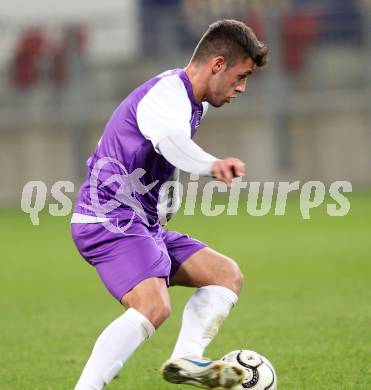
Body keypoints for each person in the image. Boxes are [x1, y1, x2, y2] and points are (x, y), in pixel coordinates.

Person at [71, 19, 267, 390]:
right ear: (218, 64)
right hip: (108, 218)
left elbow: (165, 153)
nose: (242, 88)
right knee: (153, 306)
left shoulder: (192, 101)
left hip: (140, 222)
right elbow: (172, 144)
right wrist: (211, 164)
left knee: (226, 274)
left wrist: (166, 199)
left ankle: (187, 358)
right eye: (241, 76)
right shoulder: (167, 95)